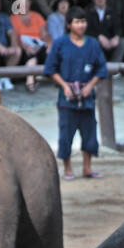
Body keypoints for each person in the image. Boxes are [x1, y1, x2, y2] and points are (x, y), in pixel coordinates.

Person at [42, 9, 108, 180]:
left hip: (87, 97)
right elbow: (50, 69)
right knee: (66, 134)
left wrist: (90, 86)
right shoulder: (60, 44)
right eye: (77, 22)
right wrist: (64, 85)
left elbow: (102, 69)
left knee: (90, 133)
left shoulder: (93, 44)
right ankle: (68, 169)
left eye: (83, 21)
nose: (81, 25)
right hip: (67, 97)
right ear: (69, 25)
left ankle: (87, 168)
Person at [10, 0, 50, 91]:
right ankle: (31, 80)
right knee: (31, 54)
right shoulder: (13, 18)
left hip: (39, 46)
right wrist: (25, 46)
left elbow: (44, 35)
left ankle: (30, 80)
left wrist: (49, 44)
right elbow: (14, 39)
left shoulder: (37, 16)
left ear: (30, 3)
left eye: (26, 2)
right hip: (24, 48)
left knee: (43, 51)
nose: (24, 5)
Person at [86, 0, 124, 65]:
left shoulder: (112, 11)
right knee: (93, 43)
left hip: (110, 41)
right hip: (96, 42)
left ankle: (114, 67)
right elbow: (86, 30)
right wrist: (99, 37)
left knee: (123, 42)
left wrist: (116, 37)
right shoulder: (88, 13)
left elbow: (118, 26)